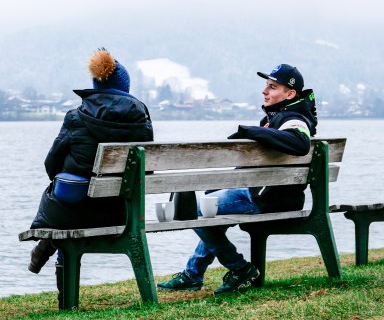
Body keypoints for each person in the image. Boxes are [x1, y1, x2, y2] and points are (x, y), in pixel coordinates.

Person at [157, 63, 317, 294]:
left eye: (272, 87)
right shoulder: (281, 116)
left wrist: (251, 131)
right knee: (211, 203)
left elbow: (300, 142)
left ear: (290, 94)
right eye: (266, 86)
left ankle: (239, 268)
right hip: (272, 195)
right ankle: (193, 274)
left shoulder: (294, 118)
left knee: (199, 210)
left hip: (266, 200)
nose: (265, 91)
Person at [28, 49, 154, 301]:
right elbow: (146, 169)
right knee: (72, 199)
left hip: (75, 212)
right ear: (125, 87)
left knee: (66, 197)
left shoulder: (76, 117)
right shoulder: (141, 119)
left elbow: (51, 166)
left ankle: (62, 287)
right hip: (121, 211)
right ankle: (46, 247)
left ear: (95, 84)